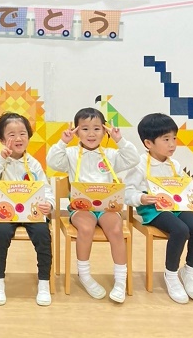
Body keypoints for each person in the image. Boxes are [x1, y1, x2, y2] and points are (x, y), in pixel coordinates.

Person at [46, 107, 139, 303]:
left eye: (97, 128)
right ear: (76, 132)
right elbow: (52, 161)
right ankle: (85, 275)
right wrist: (63, 142)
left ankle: (120, 280)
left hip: (107, 207)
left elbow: (133, 159)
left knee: (116, 230)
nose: (91, 134)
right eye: (85, 129)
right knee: (86, 228)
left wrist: (120, 140)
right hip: (81, 207)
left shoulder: (112, 155)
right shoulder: (70, 154)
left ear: (105, 131)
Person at [124, 113, 193, 303]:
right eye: (166, 139)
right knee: (180, 230)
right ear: (148, 143)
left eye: (174, 138)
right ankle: (171, 274)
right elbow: (127, 192)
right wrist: (141, 198)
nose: (172, 144)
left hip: (176, 207)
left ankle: (189, 271)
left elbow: (186, 187)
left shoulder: (174, 165)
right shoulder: (139, 165)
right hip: (152, 210)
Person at [0, 112, 54, 306]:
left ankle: (44, 283)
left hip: (32, 213)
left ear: (28, 137)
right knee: (2, 233)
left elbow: (46, 189)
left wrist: (49, 204)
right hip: (6, 215)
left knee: (43, 235)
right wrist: (0, 159)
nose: (18, 138)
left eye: (22, 133)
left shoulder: (34, 164)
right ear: (1, 139)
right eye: (11, 135)